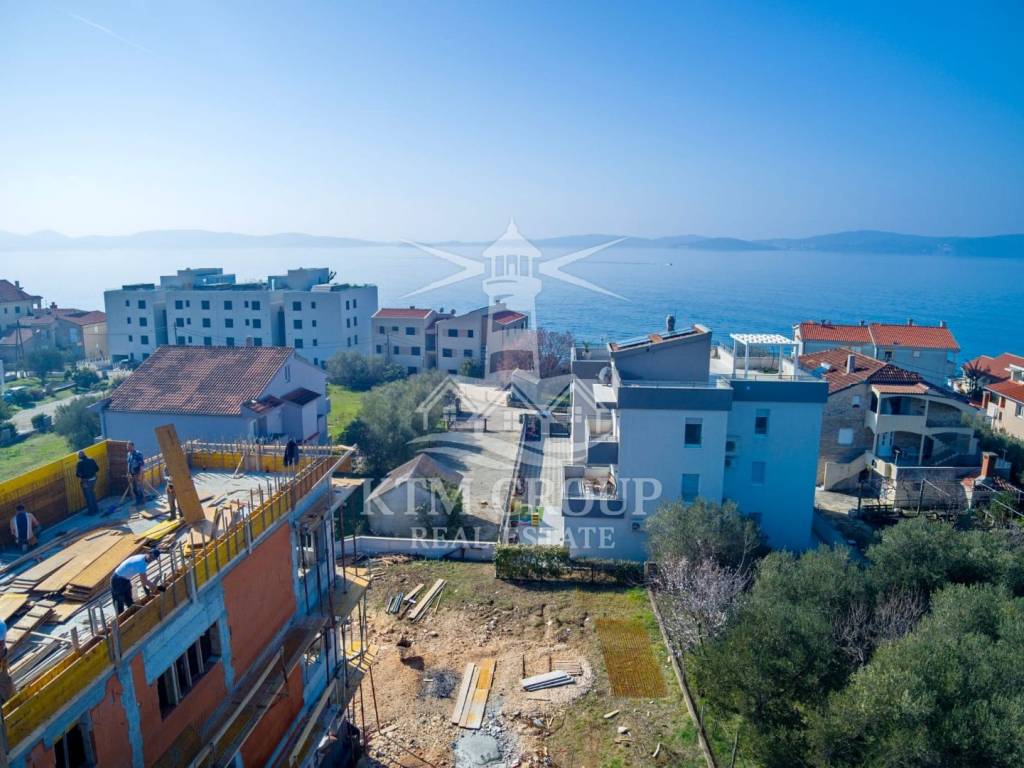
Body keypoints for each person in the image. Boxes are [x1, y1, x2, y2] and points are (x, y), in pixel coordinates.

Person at [110, 549, 161, 614]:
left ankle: (133, 613)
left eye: (153, 559)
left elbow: (143, 581)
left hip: (125, 579)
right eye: (151, 557)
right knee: (119, 600)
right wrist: (153, 587)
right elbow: (144, 580)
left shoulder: (143, 558)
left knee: (128, 599)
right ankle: (121, 617)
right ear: (148, 553)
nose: (151, 559)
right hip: (117, 580)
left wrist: (145, 588)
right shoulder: (141, 563)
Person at [76, 450, 100, 515]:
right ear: (84, 454)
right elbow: (97, 469)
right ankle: (96, 509)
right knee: (92, 494)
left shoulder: (80, 463)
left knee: (88, 496)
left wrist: (83, 477)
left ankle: (91, 511)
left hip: (86, 481)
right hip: (94, 479)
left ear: (79, 456)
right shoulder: (91, 459)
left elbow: (78, 474)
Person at [127, 442, 146, 507]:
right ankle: (138, 501)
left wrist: (140, 474)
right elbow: (129, 464)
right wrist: (128, 473)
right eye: (127, 447)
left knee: (139, 488)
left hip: (138, 473)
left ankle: (142, 502)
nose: (128, 448)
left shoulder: (138, 454)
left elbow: (141, 465)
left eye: (129, 447)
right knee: (134, 489)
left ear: (133, 446)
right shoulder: (129, 454)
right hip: (132, 474)